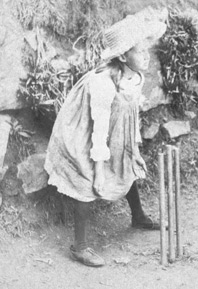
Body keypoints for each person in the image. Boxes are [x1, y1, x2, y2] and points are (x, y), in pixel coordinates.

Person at [44, 13, 167, 267]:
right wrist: (99, 172)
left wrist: (133, 148)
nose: (146, 56)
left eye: (146, 49)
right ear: (122, 56)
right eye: (139, 51)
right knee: (88, 179)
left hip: (114, 129)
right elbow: (98, 131)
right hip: (84, 131)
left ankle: (138, 216)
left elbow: (130, 115)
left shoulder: (135, 77)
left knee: (126, 162)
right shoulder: (103, 83)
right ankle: (79, 246)